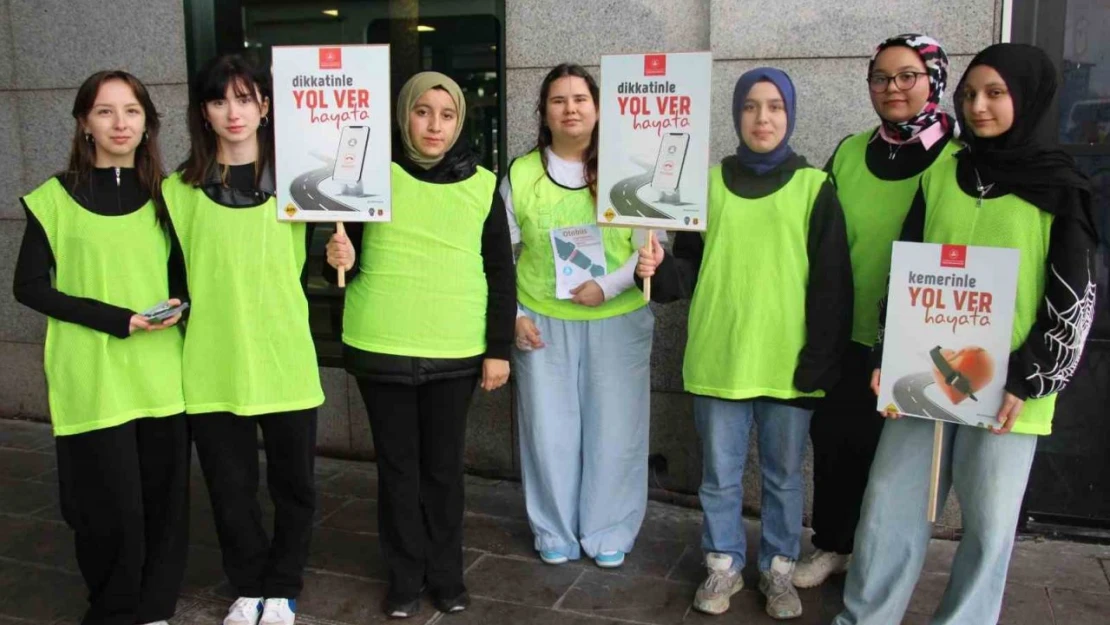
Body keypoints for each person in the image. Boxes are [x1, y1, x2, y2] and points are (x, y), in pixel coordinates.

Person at [833, 43, 1098, 625]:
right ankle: (864, 618)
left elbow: (1073, 297)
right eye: (970, 94)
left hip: (1009, 387)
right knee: (888, 508)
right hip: (924, 376)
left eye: (996, 93)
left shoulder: (1059, 188)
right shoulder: (945, 172)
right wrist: (888, 351)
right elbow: (906, 266)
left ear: (1027, 99)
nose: (979, 106)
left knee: (989, 526)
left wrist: (1029, 379)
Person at [636, 68, 853, 619]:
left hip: (790, 365)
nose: (763, 118)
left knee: (782, 478)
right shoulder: (704, 185)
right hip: (719, 358)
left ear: (790, 115)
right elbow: (683, 270)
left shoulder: (814, 187)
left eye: (775, 106)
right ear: (736, 116)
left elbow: (832, 284)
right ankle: (724, 565)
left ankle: (779, 570)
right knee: (719, 475)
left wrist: (820, 362)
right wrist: (657, 267)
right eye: (751, 107)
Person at [324, 71, 515, 618]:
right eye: (422, 112)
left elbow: (500, 273)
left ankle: (448, 577)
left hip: (455, 350)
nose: (434, 125)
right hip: (381, 344)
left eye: (447, 114)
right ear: (403, 115)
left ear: (461, 121)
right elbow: (343, 257)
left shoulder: (482, 183)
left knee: (443, 471)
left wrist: (497, 347)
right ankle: (405, 578)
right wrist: (336, 258)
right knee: (398, 470)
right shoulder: (368, 176)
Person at [13, 70, 189, 625]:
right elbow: (30, 286)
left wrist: (176, 305)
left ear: (147, 122)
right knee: (103, 510)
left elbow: (187, 278)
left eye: (132, 111)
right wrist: (120, 319)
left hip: (162, 376)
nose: (120, 123)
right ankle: (112, 609)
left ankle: (156, 608)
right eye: (106, 111)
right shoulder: (54, 198)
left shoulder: (171, 197)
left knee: (163, 505)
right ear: (84, 122)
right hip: (91, 375)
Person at [164, 54, 324, 625]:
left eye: (246, 98)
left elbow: (337, 253)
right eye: (219, 100)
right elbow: (168, 277)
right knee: (230, 489)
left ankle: (283, 586)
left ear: (266, 106)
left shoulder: (303, 184)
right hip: (213, 359)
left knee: (294, 486)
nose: (234, 112)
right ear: (203, 112)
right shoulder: (176, 192)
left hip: (283, 354)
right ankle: (248, 583)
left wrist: (344, 252)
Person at [796, 34, 960, 589]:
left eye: (907, 75)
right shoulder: (848, 150)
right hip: (846, 330)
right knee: (837, 444)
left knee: (895, 464)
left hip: (918, 341)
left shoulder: (960, 158)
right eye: (881, 78)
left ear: (935, 78)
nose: (893, 88)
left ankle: (880, 559)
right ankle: (833, 545)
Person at [503, 63, 653, 570]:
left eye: (580, 99)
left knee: (617, 429)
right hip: (542, 320)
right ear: (543, 112)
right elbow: (498, 252)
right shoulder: (522, 173)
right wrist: (515, 314)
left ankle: (609, 528)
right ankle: (554, 528)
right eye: (558, 100)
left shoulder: (626, 166)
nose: (570, 109)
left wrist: (607, 286)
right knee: (548, 432)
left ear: (598, 108)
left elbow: (651, 245)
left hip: (617, 318)